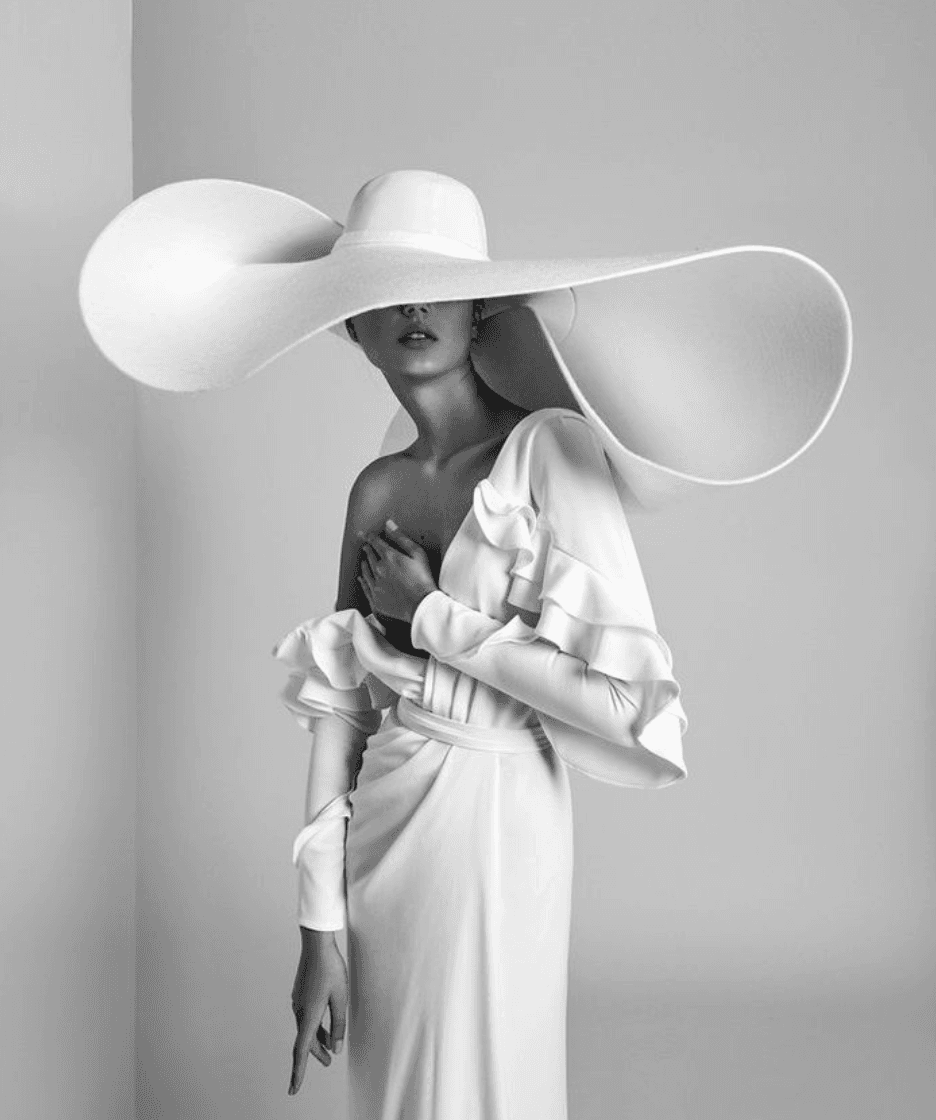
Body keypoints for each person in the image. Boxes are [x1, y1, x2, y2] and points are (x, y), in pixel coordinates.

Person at [77, 168, 852, 1120]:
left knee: (489, 1080)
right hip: (389, 828)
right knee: (397, 1084)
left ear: (480, 309)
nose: (412, 310)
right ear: (353, 330)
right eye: (382, 294)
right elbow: (341, 710)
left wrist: (440, 614)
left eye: (436, 291)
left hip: (500, 817)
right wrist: (319, 928)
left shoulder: (552, 453)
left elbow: (629, 706)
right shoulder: (376, 489)